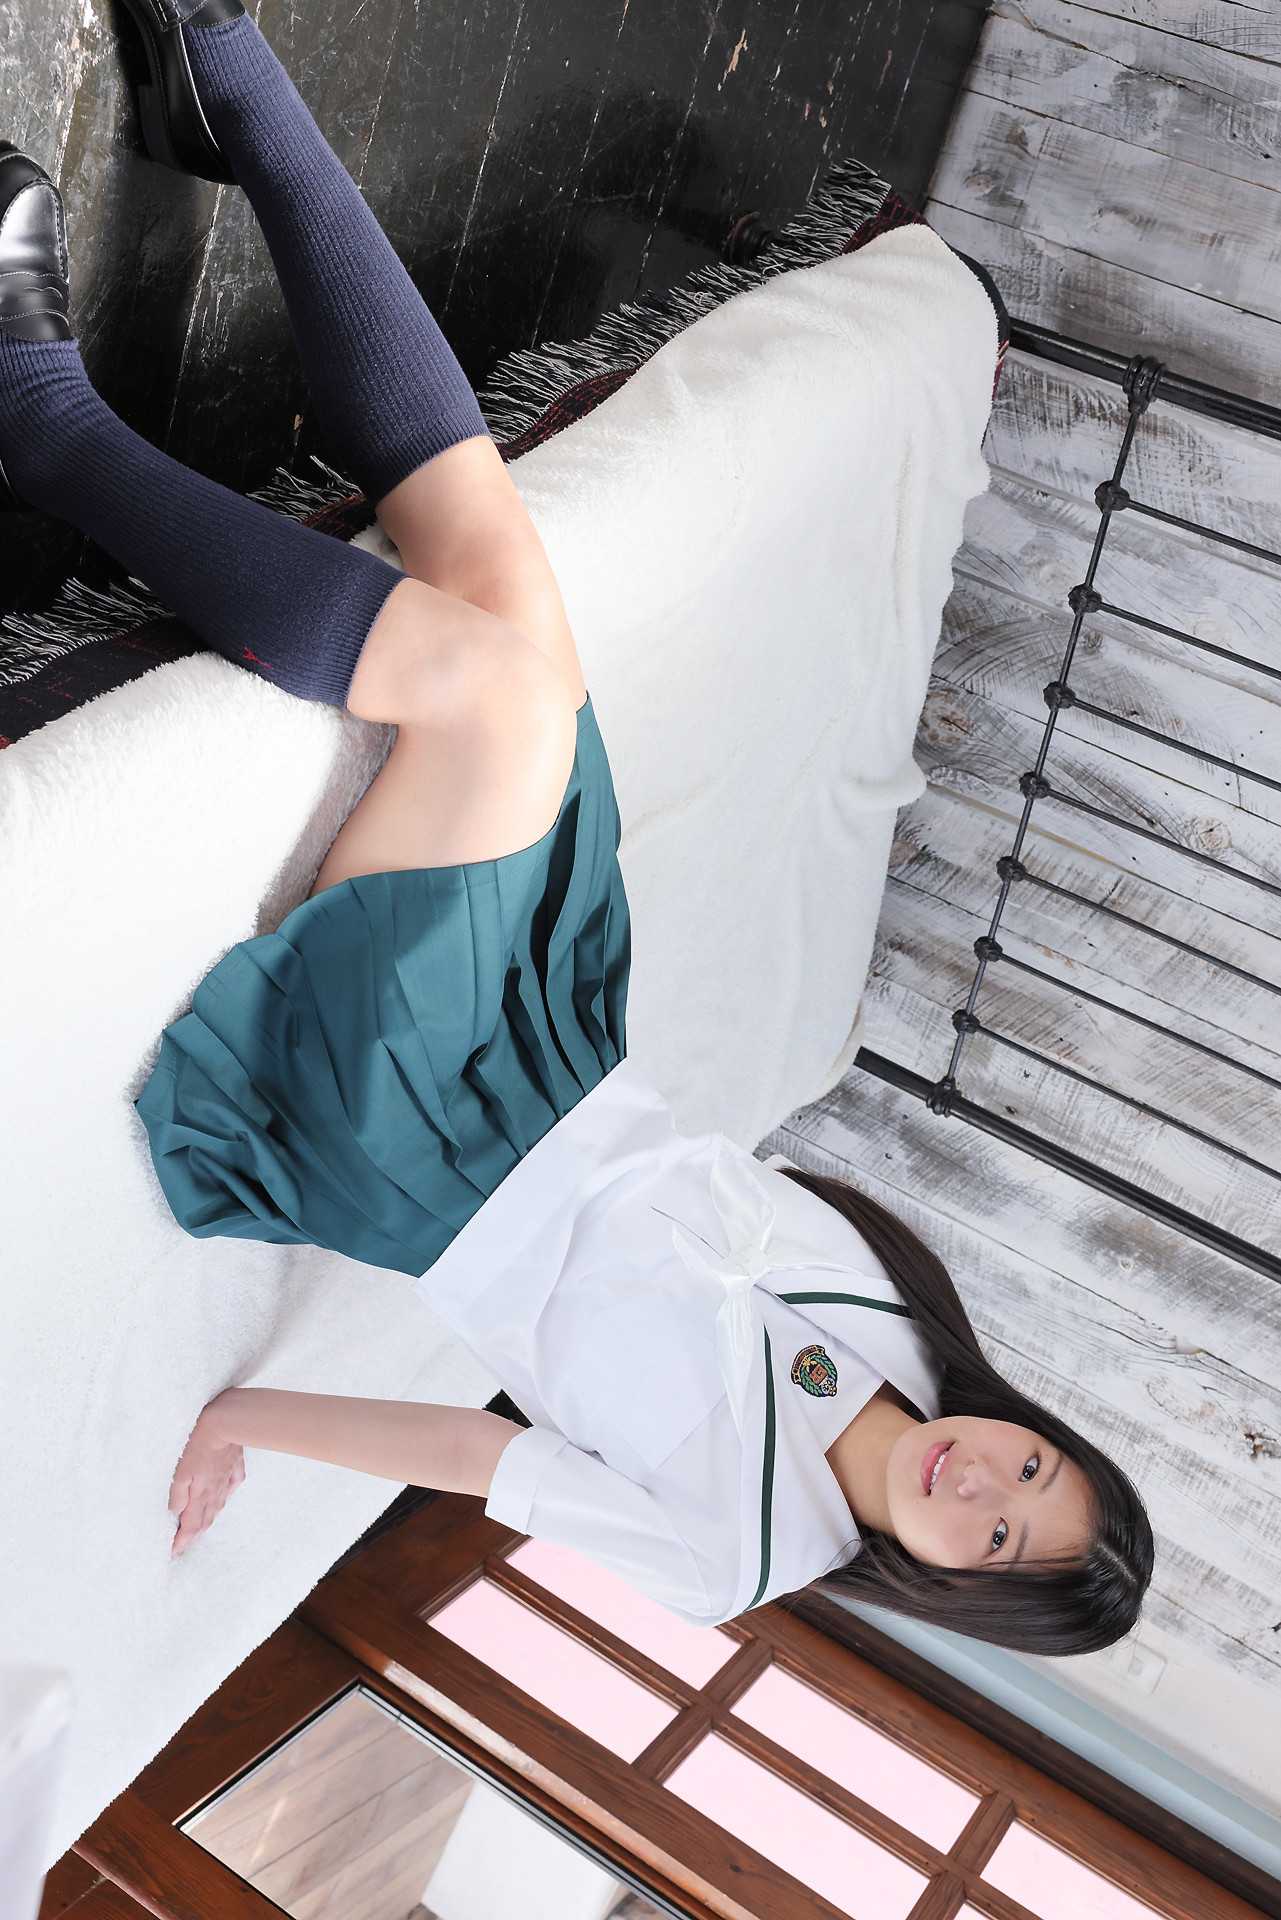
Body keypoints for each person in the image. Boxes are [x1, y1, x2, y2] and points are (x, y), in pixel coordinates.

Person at [0, 0, 1153, 1656]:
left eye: (993, 1534)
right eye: (1032, 1467)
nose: (981, 1479)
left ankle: (49, 425)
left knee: (498, 690)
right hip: (559, 1023)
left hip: (412, 1134)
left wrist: (238, 1420)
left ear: (958, 1586)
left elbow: (485, 1457)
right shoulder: (906, 1324)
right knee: (499, 573)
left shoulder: (732, 1554)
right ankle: (227, 83)